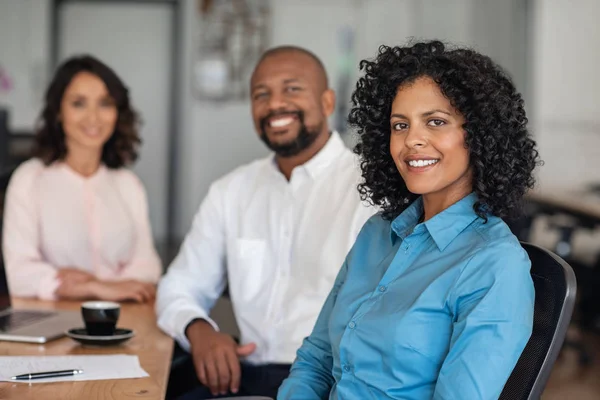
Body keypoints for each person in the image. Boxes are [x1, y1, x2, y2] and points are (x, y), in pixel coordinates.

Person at [278, 40, 542, 399]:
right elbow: (316, 360)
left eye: (435, 122)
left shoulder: (495, 265)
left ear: (479, 135)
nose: (412, 140)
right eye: (399, 125)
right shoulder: (377, 233)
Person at [156, 46, 375, 399]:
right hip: (243, 375)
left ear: (327, 102)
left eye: (292, 89)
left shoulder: (369, 190)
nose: (274, 104)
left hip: (333, 383)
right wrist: (199, 331)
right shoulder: (230, 191)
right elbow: (178, 285)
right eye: (261, 94)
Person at [2, 55, 161, 303]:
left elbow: (148, 267)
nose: (93, 117)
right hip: (50, 322)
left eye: (105, 103)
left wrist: (79, 284)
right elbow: (20, 274)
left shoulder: (128, 184)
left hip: (123, 320)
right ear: (58, 112)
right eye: (79, 103)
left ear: (117, 112)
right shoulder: (30, 179)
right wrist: (99, 289)